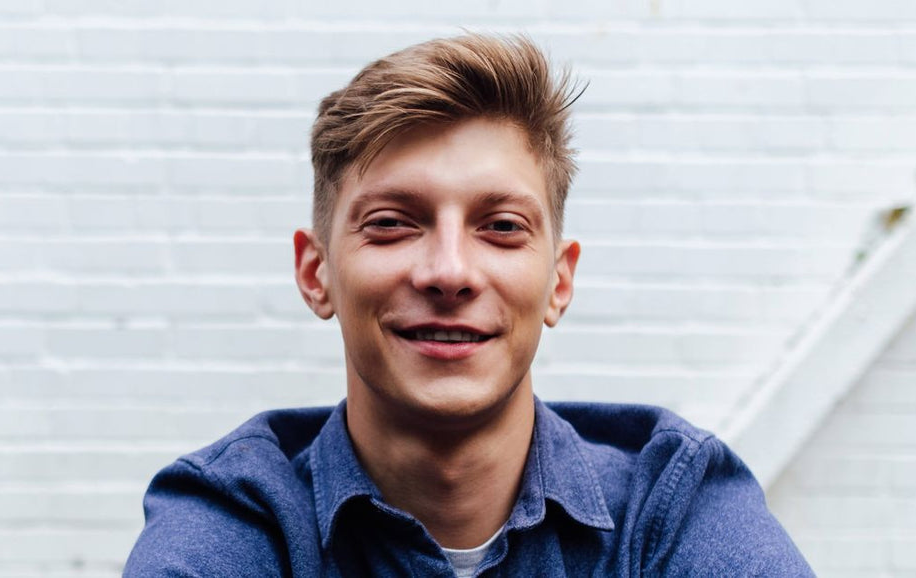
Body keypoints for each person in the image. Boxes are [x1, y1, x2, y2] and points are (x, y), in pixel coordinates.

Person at [124, 33, 814, 577]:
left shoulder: (671, 504)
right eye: (391, 224)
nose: (450, 272)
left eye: (502, 227)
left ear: (559, 282)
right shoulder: (236, 517)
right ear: (316, 273)